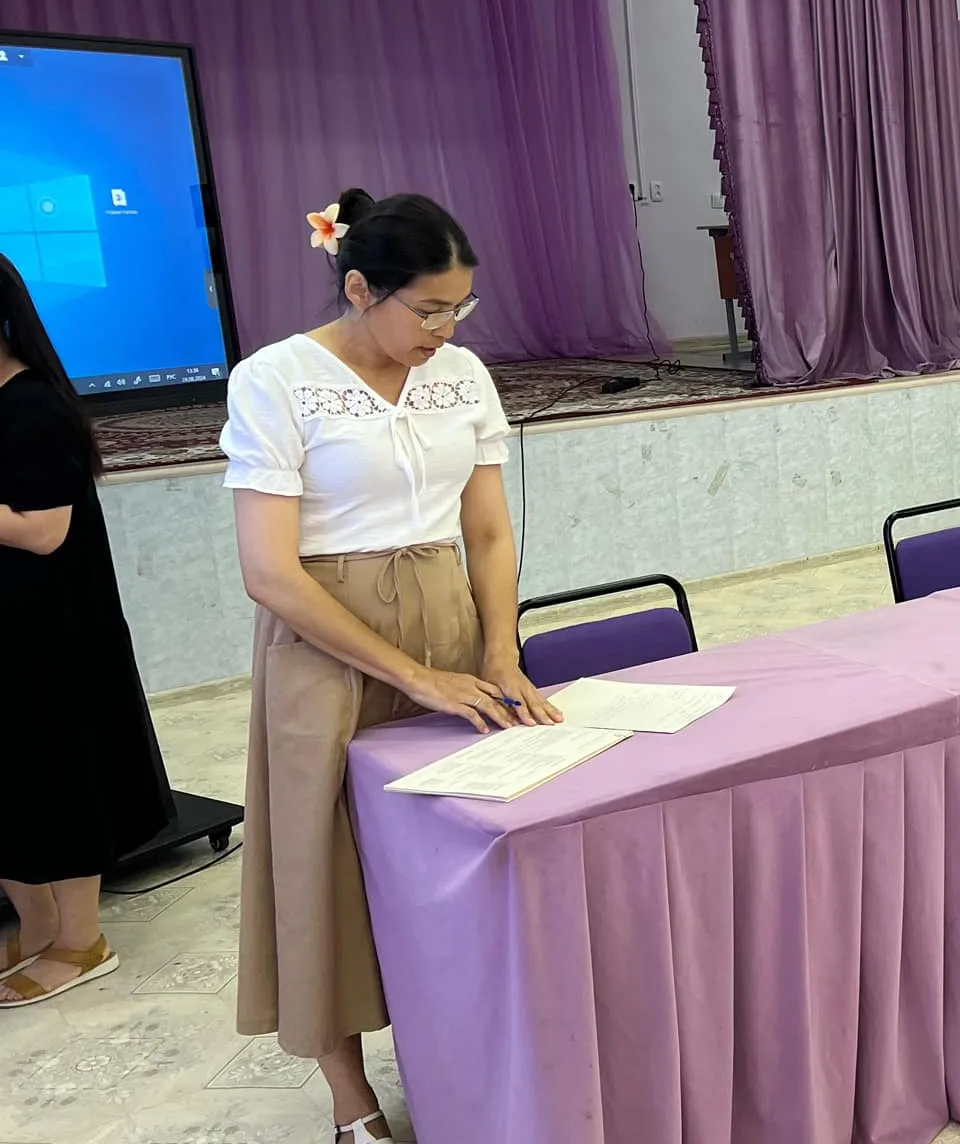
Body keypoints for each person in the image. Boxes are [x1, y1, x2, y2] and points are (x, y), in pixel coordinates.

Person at [222, 190, 563, 1144]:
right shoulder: (277, 380)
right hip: (325, 643)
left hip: (450, 625)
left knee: (457, 845)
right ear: (360, 289)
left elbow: (487, 532)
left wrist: (498, 650)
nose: (446, 330)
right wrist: (412, 680)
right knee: (323, 865)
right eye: (429, 309)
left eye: (461, 307)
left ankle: (461, 1048)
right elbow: (268, 571)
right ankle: (351, 1098)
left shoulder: (461, 376)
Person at [0, 254, 171, 1008]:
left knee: (56, 780)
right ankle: (36, 926)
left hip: (48, 637)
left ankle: (81, 938)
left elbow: (43, 532)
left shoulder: (34, 408)